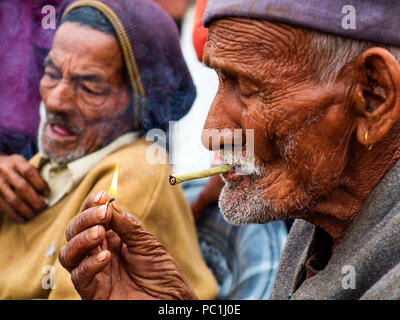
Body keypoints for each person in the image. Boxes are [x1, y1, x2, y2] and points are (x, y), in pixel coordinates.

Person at [60, 0, 400, 300]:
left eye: (248, 89)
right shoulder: (320, 220)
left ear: (373, 94)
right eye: (221, 80)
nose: (211, 135)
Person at [0, 0, 218, 300]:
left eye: (89, 88)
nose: (55, 101)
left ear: (140, 103)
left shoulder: (132, 173)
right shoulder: (55, 160)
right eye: (51, 73)